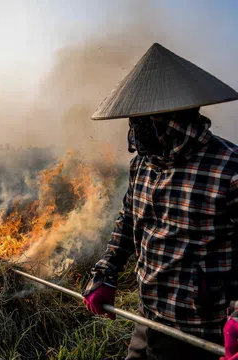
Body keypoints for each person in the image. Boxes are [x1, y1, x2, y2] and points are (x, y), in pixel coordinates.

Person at [82, 43, 238, 360]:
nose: (134, 131)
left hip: (204, 333)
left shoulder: (229, 169)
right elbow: (127, 221)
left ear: (174, 117)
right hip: (149, 321)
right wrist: (105, 273)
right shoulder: (143, 164)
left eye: (143, 120)